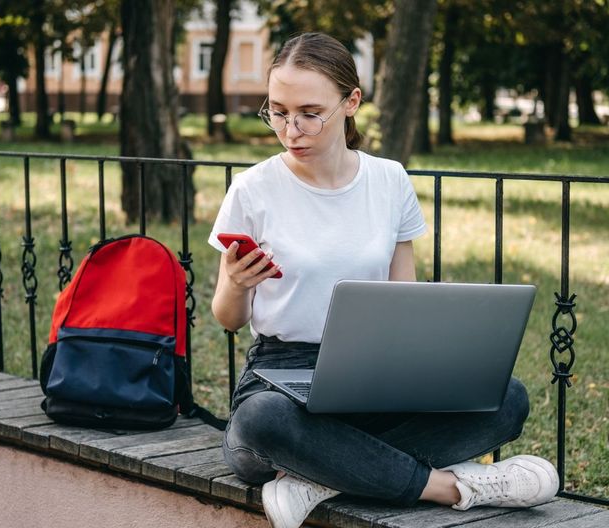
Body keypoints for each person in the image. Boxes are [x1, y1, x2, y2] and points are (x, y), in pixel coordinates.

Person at [207, 32, 558, 528]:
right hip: (281, 378)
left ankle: (321, 476)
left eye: (310, 112)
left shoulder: (389, 180)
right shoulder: (252, 188)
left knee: (508, 398)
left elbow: (402, 300)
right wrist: (238, 284)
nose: (292, 129)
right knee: (258, 424)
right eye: (278, 111)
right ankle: (454, 487)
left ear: (351, 103)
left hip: (371, 372)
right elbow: (228, 318)